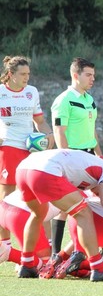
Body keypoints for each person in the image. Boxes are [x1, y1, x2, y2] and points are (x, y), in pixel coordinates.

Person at [15, 149, 103, 281]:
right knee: (84, 213)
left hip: (24, 168)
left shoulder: (87, 174)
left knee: (37, 214)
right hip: (45, 170)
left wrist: (63, 254)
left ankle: (27, 264)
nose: (97, 195)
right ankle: (98, 269)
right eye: (102, 192)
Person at [50, 57, 103, 255]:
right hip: (72, 156)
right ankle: (56, 253)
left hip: (90, 157)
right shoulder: (63, 100)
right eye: (88, 75)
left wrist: (100, 155)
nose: (92, 79)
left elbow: (92, 130)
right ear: (75, 75)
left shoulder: (90, 100)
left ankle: (91, 249)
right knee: (67, 206)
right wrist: (66, 157)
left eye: (94, 75)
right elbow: (59, 131)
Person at [0, 56, 54, 201]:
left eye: (28, 74)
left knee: (34, 196)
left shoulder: (32, 92)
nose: (27, 77)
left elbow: (40, 121)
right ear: (11, 74)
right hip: (9, 147)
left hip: (32, 148)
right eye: (23, 74)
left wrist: (49, 133)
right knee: (7, 197)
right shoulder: (1, 92)